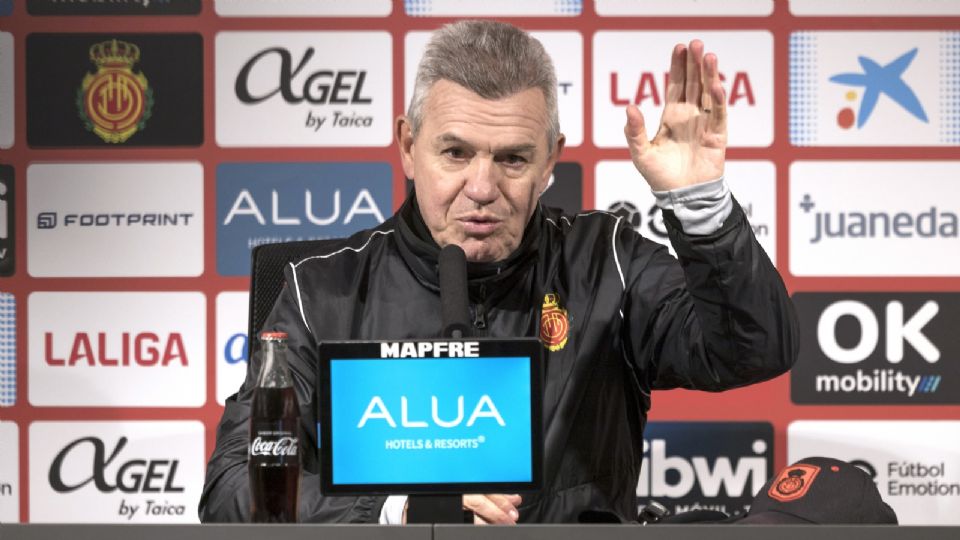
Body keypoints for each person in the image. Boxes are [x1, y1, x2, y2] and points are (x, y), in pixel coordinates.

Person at [200, 20, 798, 524]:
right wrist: (401, 511)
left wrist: (701, 205)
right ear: (409, 147)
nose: (482, 189)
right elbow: (234, 487)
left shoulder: (606, 262)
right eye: (455, 153)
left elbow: (755, 350)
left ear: (550, 162)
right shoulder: (321, 288)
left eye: (513, 158)